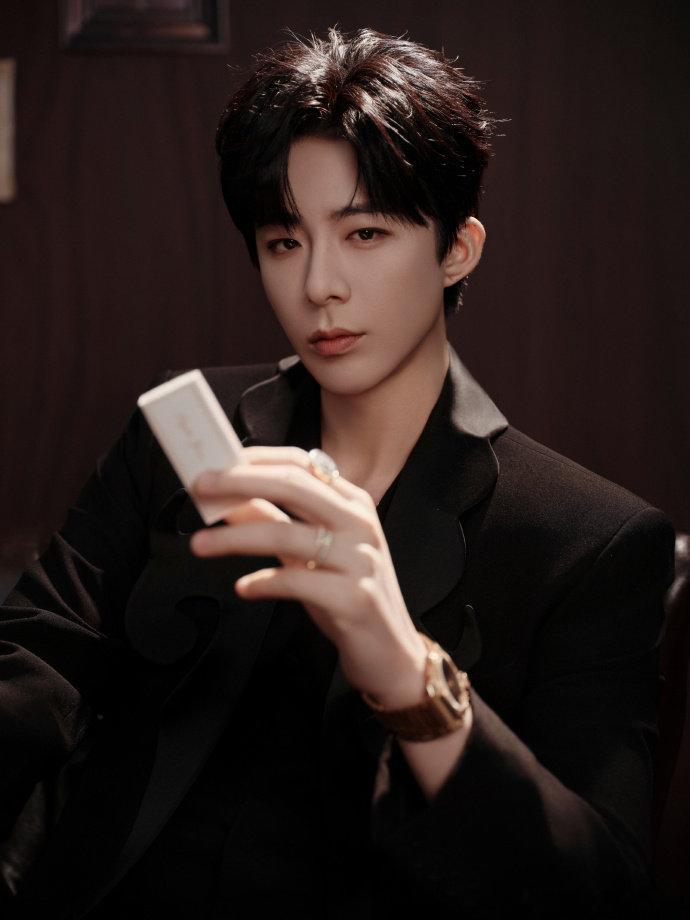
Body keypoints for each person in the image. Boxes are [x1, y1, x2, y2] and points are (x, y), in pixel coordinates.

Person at [0, 26, 675, 919]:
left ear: (457, 248)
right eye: (284, 241)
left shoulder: (588, 541)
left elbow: (595, 890)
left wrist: (405, 671)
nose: (319, 284)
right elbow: (34, 663)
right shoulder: (185, 430)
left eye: (364, 233)